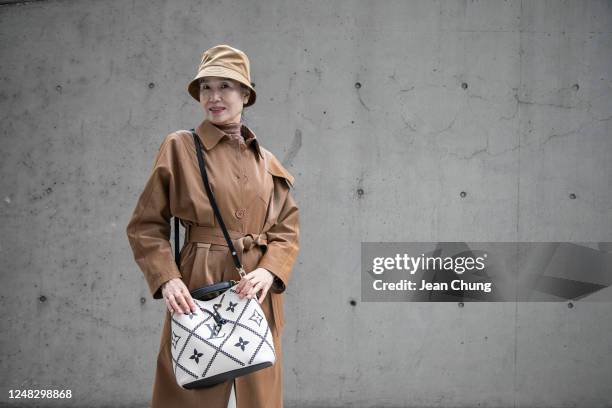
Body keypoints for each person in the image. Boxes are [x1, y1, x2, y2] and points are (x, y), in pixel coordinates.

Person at [126, 44, 300, 408]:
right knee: (194, 387)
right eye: (206, 87)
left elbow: (286, 228)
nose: (214, 97)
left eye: (225, 86)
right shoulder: (180, 146)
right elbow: (145, 224)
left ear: (246, 95)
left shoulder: (267, 161)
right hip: (199, 281)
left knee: (257, 392)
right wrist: (167, 276)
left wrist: (269, 271)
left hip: (256, 293)